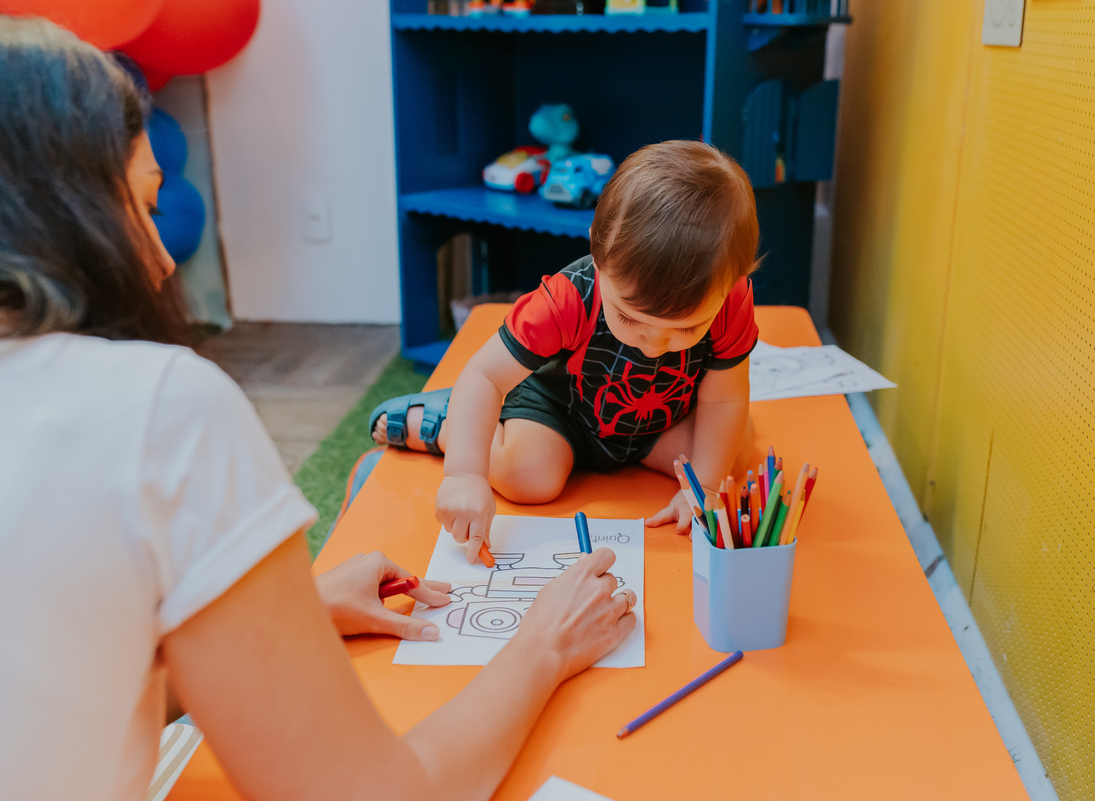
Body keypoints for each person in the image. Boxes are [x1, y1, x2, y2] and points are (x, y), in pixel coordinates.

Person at [0, 17, 636, 801]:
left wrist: (280, 621)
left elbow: (52, 679)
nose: (163, 260)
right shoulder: (159, 408)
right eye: (146, 205)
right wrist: (543, 643)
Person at [371, 140, 760, 558]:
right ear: (598, 251)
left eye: (686, 328)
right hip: (561, 414)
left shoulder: (731, 299)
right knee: (527, 476)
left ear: (732, 281)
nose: (654, 344)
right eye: (630, 318)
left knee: (735, 452)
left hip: (658, 422)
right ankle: (446, 424)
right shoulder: (566, 299)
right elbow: (485, 375)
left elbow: (724, 398)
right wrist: (464, 475)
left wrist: (705, 487)